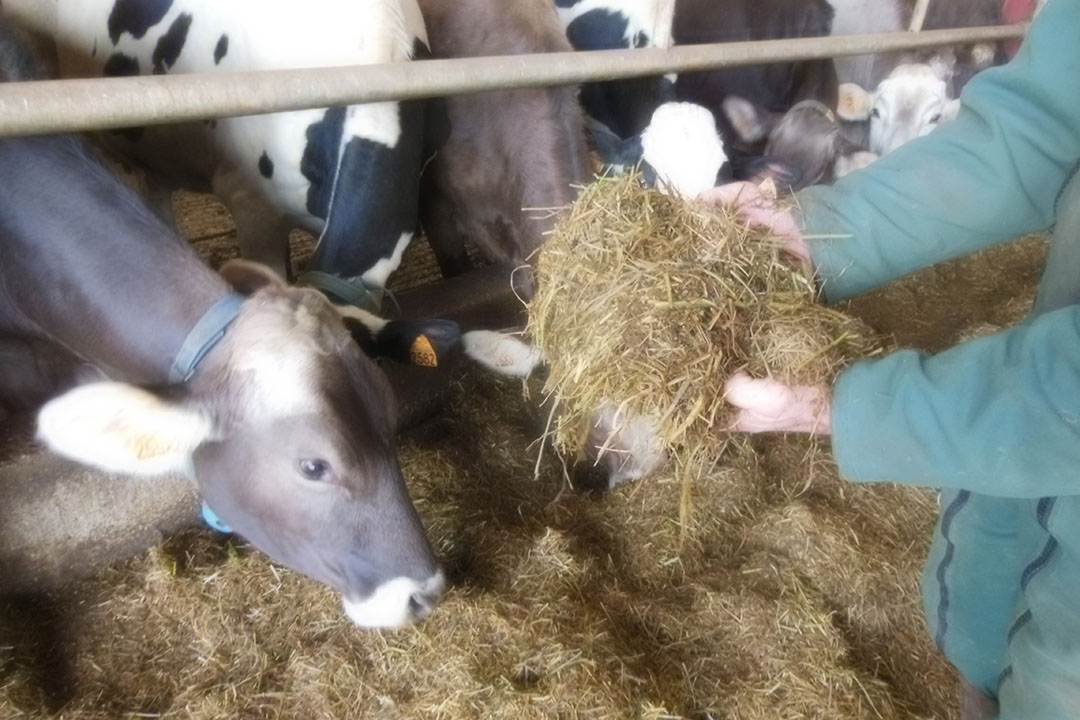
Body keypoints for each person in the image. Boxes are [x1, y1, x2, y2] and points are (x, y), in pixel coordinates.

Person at [702, 1, 1079, 718]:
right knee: (986, 607)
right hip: (1019, 449)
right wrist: (819, 232)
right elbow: (1031, 131)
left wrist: (844, 407)